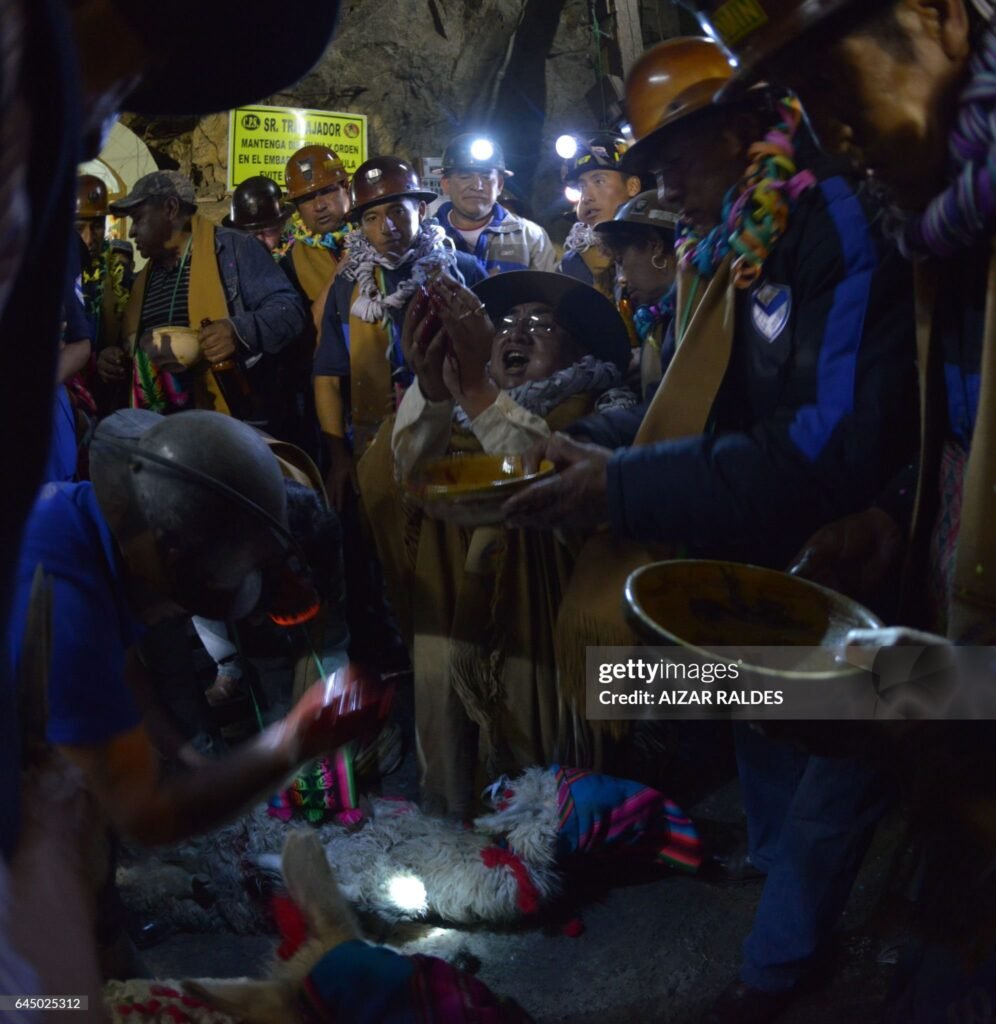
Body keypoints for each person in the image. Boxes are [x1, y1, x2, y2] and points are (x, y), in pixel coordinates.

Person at [502, 38, 919, 1023]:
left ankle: (779, 966)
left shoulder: (833, 220)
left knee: (843, 745)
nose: (655, 188)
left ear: (742, 129)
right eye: (642, 170)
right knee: (756, 710)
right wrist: (584, 448)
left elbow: (831, 440)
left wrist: (627, 485)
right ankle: (776, 874)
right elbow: (690, 402)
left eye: (672, 162)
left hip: (865, 527)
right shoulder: (737, 233)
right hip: (768, 525)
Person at [682, 0, 996, 1016]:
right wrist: (901, 514)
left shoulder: (863, 224)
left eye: (835, 77)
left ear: (939, 19)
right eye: (801, 95)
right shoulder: (943, 226)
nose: (826, 124)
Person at [391, 270, 635, 816]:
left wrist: (478, 393)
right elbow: (402, 479)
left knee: (537, 777)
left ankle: (549, 827)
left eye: (541, 326)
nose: (516, 333)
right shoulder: (455, 408)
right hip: (452, 613)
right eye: (505, 324)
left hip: (542, 622)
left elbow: (546, 474)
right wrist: (432, 388)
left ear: (577, 352)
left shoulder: (605, 409)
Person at [315, 155, 484, 507]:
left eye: (397, 212)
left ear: (421, 211)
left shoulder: (461, 271)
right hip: (374, 447)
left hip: (453, 442)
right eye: (372, 218)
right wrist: (339, 458)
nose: (386, 228)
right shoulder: (349, 286)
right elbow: (328, 375)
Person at [94, 170, 307, 427]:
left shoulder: (235, 249)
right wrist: (113, 357)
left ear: (171, 208)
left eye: (138, 218)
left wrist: (237, 331)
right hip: (159, 426)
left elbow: (290, 310)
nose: (133, 232)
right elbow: (135, 351)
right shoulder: (144, 279)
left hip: (227, 424)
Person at [592, 190, 678, 399]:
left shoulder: (697, 314)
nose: (621, 279)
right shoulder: (660, 324)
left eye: (621, 261)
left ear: (655, 246)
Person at [437, 133, 556, 275]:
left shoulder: (532, 238)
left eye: (486, 177)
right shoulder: (425, 239)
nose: (477, 186)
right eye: (465, 176)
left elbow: (549, 295)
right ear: (445, 184)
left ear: (499, 185)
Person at [557, 133, 642, 299]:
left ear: (632, 186)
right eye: (581, 187)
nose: (586, 197)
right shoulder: (574, 262)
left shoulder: (657, 247)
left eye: (599, 181)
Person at [282, 145, 352, 312]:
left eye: (327, 191)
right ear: (297, 207)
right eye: (307, 198)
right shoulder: (291, 263)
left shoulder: (377, 236)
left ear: (345, 186)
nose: (319, 206)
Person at [222, 174, 295, 256]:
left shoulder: (295, 261)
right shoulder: (228, 263)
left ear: (282, 226)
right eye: (250, 233)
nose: (259, 240)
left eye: (268, 231)